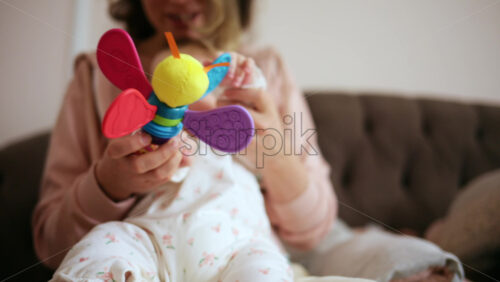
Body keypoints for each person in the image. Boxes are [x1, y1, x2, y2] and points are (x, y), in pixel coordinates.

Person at [32, 0, 463, 281]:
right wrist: (110, 181)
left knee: (402, 262)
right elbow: (52, 244)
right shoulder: (96, 76)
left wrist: (274, 153)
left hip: (255, 242)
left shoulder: (266, 72)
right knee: (103, 253)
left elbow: (315, 232)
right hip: (150, 237)